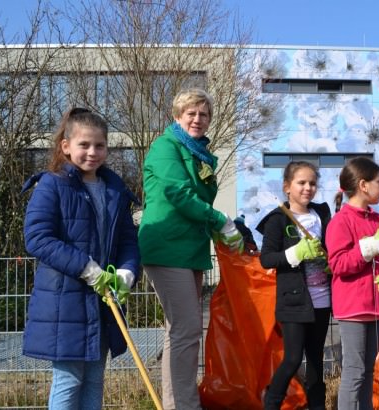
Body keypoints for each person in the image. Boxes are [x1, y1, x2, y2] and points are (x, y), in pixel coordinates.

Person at [21, 107, 140, 410]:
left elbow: (127, 238)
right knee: (69, 379)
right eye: (84, 145)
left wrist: (127, 271)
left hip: (103, 301)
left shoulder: (114, 189)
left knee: (95, 379)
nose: (92, 152)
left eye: (99, 145)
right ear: (66, 146)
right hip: (66, 300)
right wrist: (86, 268)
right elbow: (38, 238)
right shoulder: (53, 184)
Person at [138, 88, 243, 409]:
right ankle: (183, 404)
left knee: (181, 331)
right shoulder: (165, 147)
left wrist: (222, 230)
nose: (198, 119)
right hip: (168, 248)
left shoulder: (199, 152)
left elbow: (198, 199)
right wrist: (219, 220)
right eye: (192, 113)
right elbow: (179, 193)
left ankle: (179, 402)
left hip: (189, 251)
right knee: (186, 330)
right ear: (177, 116)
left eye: (204, 114)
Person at [325, 156, 379, 410]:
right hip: (353, 307)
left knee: (369, 368)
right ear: (363, 185)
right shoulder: (340, 221)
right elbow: (338, 264)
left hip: (376, 306)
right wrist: (367, 249)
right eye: (378, 182)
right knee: (355, 370)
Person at [256, 161, 332, 410]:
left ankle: (317, 406)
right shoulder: (278, 219)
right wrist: (295, 252)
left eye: (312, 183)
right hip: (294, 300)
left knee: (315, 360)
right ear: (287, 187)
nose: (308, 188)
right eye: (301, 183)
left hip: (321, 298)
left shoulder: (321, 214)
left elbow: (333, 247)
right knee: (291, 359)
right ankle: (272, 402)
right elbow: (266, 258)